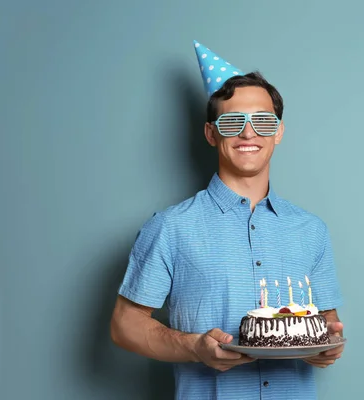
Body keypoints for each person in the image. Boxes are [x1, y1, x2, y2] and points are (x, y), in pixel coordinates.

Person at [110, 41, 344, 399]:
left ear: (278, 132)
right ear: (211, 133)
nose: (249, 133)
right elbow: (124, 326)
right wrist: (194, 347)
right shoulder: (170, 227)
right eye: (234, 121)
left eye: (263, 121)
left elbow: (326, 322)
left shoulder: (311, 230)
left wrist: (329, 345)